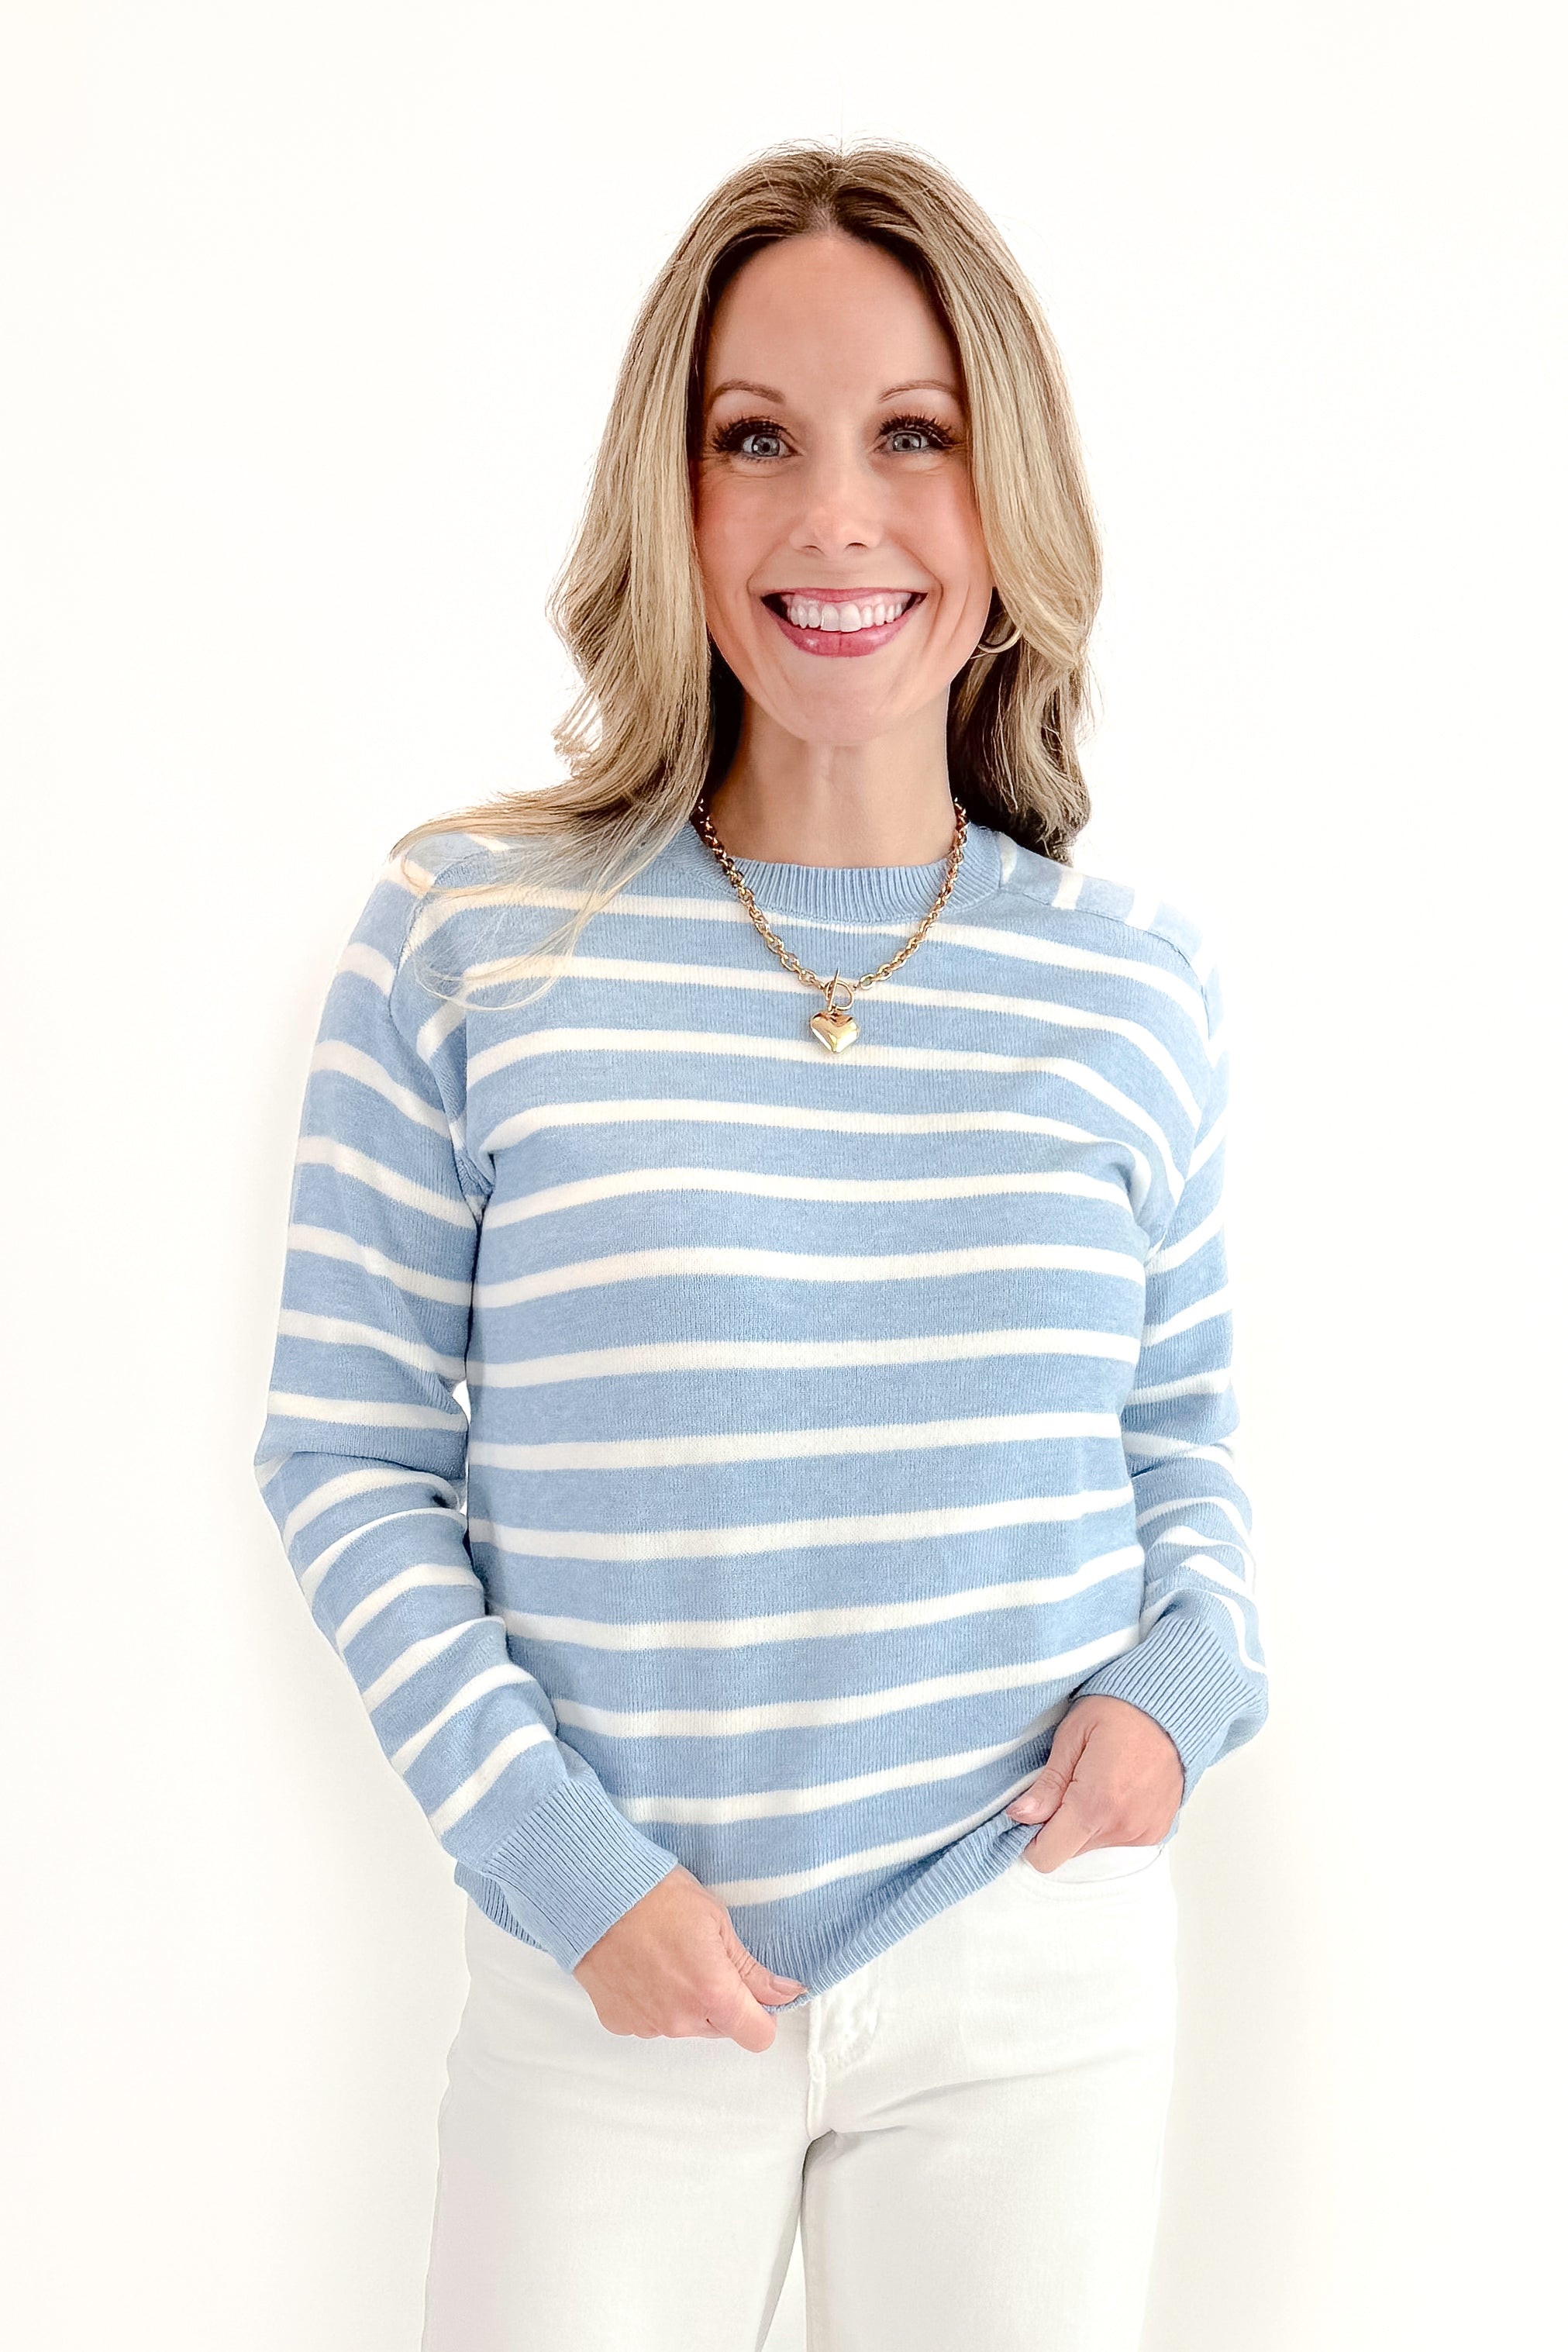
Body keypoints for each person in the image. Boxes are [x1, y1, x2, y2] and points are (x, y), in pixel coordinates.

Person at [254, 139, 1268, 2352]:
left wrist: (1186, 1688)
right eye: (755, 440)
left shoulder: (1128, 985)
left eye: (913, 435)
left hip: (1025, 1955)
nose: (836, 518)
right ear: (672, 492)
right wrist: (562, 1862)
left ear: (1007, 494)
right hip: (609, 1973)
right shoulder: (472, 939)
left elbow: (1182, 1435)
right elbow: (345, 1455)